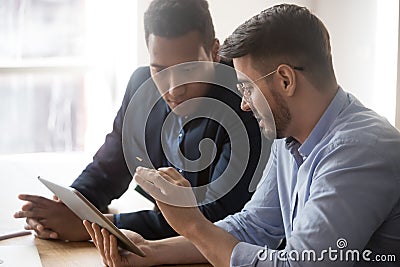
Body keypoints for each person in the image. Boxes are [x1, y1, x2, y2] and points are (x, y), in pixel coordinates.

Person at [84, 3, 400, 267]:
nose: (245, 105)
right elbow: (252, 227)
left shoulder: (360, 150)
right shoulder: (289, 138)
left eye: (247, 88)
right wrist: (151, 252)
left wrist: (191, 222)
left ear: (286, 81)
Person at [14, 0, 266, 242]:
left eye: (188, 69)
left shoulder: (247, 105)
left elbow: (212, 219)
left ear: (213, 52)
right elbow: (108, 171)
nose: (173, 89)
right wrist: (64, 208)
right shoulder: (141, 86)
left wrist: (95, 227)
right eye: (160, 70)